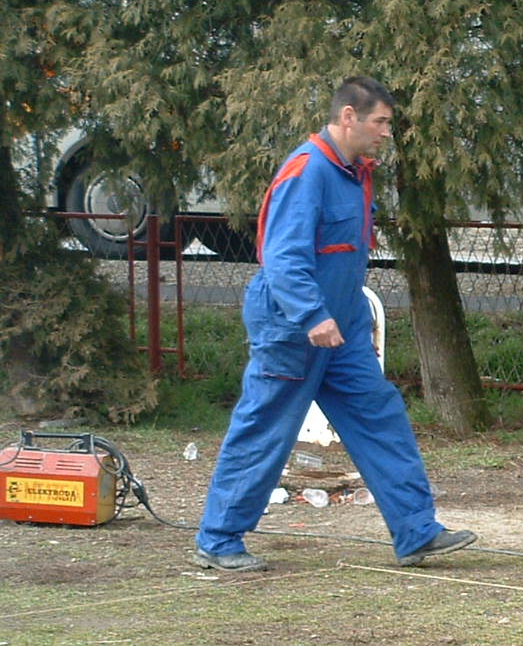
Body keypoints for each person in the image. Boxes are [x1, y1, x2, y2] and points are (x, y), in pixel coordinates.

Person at [192, 77, 475, 572]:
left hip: (341, 327)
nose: (387, 132)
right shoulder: (308, 171)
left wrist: (339, 317)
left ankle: (417, 532)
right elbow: (282, 257)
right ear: (348, 117)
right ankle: (218, 540)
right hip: (294, 326)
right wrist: (311, 315)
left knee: (379, 417)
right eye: (380, 122)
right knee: (265, 428)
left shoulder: (353, 172)